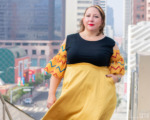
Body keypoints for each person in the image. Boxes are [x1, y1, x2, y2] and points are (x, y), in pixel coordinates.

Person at [42, 5, 125, 120]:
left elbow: (118, 67)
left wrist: (116, 78)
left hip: (98, 97)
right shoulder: (70, 40)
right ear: (83, 19)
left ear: (102, 21)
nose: (91, 19)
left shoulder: (110, 43)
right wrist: (51, 95)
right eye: (88, 16)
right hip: (71, 94)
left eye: (96, 16)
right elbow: (57, 71)